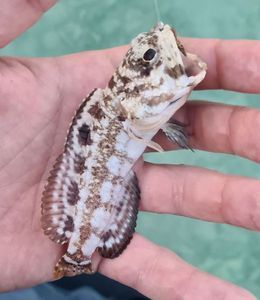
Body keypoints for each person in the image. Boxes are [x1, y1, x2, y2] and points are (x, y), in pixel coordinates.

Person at [0, 1, 259, 299]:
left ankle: (75, 267)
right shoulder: (126, 107)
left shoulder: (133, 105)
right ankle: (76, 261)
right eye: (151, 57)